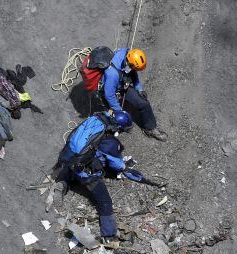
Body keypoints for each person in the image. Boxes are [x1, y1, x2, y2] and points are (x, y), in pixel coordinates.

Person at [52, 111, 163, 241]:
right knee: (105, 202)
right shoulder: (109, 142)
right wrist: (126, 167)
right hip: (85, 171)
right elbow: (117, 165)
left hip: (70, 158)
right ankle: (109, 236)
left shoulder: (96, 119)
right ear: (118, 128)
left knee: (74, 170)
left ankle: (63, 182)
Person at [102, 48, 168, 142]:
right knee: (118, 119)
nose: (135, 70)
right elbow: (109, 95)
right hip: (111, 91)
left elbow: (133, 74)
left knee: (144, 104)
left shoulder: (128, 55)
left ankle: (150, 129)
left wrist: (139, 89)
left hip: (122, 84)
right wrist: (118, 110)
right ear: (129, 64)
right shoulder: (112, 74)